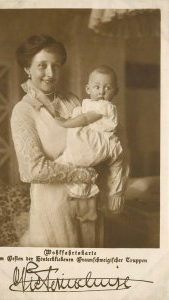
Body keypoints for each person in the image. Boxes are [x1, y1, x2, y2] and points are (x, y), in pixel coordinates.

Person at [11, 34, 102, 247]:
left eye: (56, 65)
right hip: (53, 207)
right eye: (42, 66)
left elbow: (92, 141)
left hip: (87, 200)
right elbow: (33, 170)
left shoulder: (72, 101)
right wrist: (81, 173)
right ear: (27, 69)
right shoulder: (23, 111)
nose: (50, 74)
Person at [54, 65, 129, 222]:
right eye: (97, 87)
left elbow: (86, 118)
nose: (101, 92)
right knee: (110, 173)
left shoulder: (105, 106)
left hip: (103, 143)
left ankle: (103, 202)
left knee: (77, 153)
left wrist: (65, 123)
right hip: (104, 144)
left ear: (115, 91)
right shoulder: (88, 103)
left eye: (107, 88)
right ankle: (99, 204)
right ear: (88, 89)